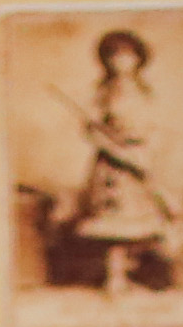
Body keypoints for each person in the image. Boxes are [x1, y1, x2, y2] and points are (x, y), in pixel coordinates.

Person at [42, 27, 176, 288]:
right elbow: (91, 131)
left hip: (139, 160)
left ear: (139, 59)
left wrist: (143, 155)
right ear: (106, 61)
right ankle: (114, 278)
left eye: (128, 57)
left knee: (138, 218)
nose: (122, 63)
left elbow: (154, 128)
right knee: (112, 218)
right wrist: (116, 151)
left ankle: (129, 276)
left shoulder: (145, 93)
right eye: (115, 57)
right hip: (113, 166)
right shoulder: (102, 92)